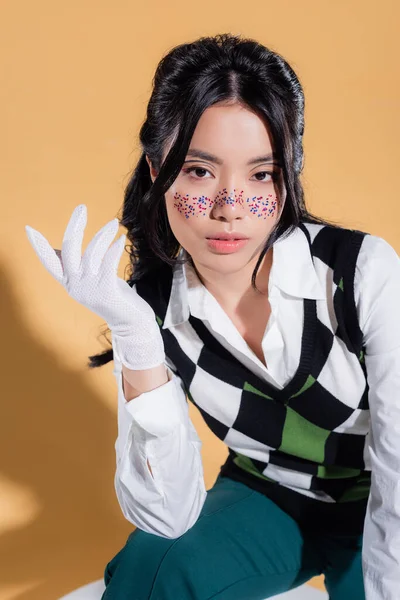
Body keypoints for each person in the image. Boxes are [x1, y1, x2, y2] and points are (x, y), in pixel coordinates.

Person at [25, 33, 399, 600]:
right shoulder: (152, 311)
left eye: (260, 174)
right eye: (200, 171)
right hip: (269, 496)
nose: (229, 206)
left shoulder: (358, 272)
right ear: (158, 171)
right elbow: (167, 515)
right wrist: (138, 341)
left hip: (381, 496)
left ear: (287, 176)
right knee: (149, 573)